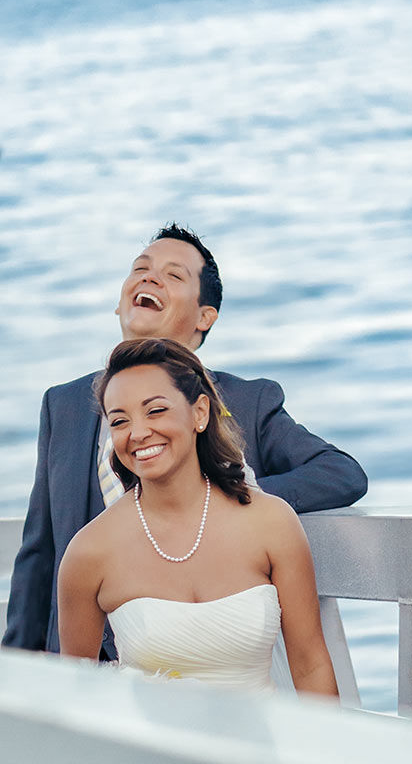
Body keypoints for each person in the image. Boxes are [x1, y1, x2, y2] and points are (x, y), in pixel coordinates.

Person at [3, 223, 367, 657]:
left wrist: (228, 495)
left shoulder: (247, 401)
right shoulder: (61, 405)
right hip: (79, 672)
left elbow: (342, 473)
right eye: (140, 268)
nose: (149, 277)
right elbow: (38, 554)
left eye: (173, 275)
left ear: (205, 316)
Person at [58, 337, 338, 697]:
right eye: (120, 421)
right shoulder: (89, 551)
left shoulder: (271, 522)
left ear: (200, 413)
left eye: (155, 410)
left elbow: (311, 665)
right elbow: (78, 695)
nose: (138, 433)